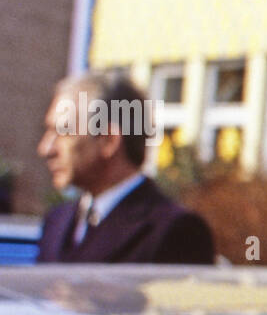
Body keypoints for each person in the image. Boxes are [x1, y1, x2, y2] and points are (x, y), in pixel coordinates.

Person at [35, 73, 215, 264]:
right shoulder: (57, 221)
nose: (46, 149)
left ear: (108, 141)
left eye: (63, 131)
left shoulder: (176, 231)